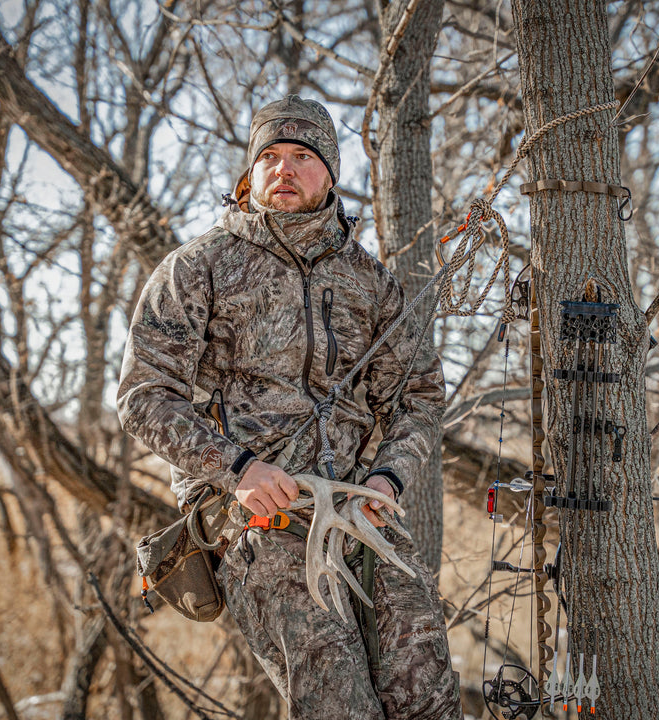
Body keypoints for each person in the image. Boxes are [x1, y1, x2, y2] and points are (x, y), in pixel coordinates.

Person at [117, 95, 462, 719]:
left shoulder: (369, 282)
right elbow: (144, 397)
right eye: (270, 156)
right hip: (259, 519)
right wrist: (238, 469)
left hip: (364, 515)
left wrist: (388, 479)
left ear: (329, 172)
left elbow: (418, 396)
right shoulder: (198, 268)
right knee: (337, 706)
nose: (284, 169)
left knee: (429, 700)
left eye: (302, 156)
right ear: (251, 172)